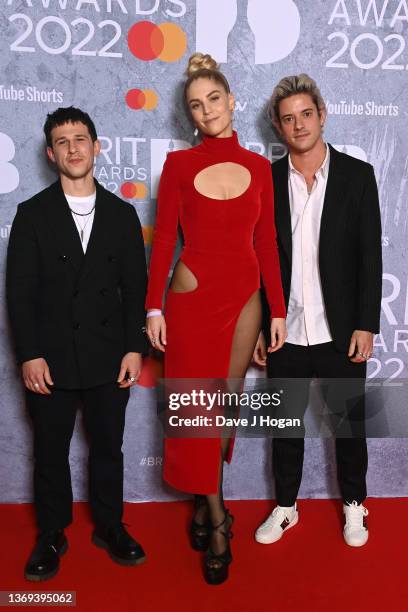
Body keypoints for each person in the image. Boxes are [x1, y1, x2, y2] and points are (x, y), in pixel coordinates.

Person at [145, 53, 286, 584]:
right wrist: (153, 305)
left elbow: (267, 244)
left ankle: (207, 507)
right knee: (197, 411)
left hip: (246, 299)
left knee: (221, 411)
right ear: (190, 115)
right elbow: (163, 240)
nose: (206, 111)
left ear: (232, 101)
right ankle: (219, 517)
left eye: (213, 100)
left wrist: (277, 309)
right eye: (194, 106)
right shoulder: (179, 166)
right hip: (191, 298)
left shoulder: (257, 169)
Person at [6, 107, 148, 581]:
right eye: (62, 141)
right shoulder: (31, 215)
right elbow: (19, 294)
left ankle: (110, 525)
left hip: (110, 355)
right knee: (50, 449)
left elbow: (136, 289)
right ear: (51, 154)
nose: (73, 148)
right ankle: (52, 533)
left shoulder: (123, 215)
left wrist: (135, 348)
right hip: (50, 358)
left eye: (81, 139)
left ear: (96, 147)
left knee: (109, 445)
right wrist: (29, 354)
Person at [253, 75, 382, 547]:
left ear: (322, 115)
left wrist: (367, 323)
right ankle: (286, 507)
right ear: (278, 126)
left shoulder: (356, 175)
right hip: (283, 329)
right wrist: (259, 327)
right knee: (284, 427)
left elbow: (371, 256)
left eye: (306, 114)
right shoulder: (264, 181)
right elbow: (255, 260)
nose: (298, 124)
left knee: (350, 427)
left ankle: (355, 506)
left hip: (341, 329)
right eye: (288, 118)